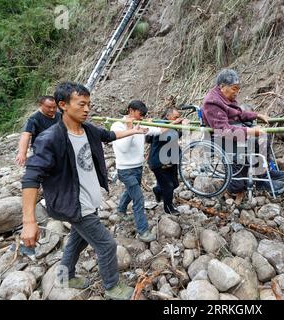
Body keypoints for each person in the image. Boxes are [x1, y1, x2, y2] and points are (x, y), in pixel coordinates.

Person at [21, 82, 148, 300]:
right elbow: (31, 177)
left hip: (89, 201)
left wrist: (133, 130)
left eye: (89, 104)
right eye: (82, 104)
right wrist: (29, 221)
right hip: (73, 204)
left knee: (77, 241)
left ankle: (64, 277)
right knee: (107, 245)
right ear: (63, 105)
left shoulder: (87, 129)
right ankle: (112, 287)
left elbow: (108, 135)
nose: (87, 109)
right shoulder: (50, 138)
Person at [201, 69, 284, 199]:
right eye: (234, 89)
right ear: (222, 87)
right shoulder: (212, 102)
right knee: (238, 181)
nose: (237, 92)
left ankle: (263, 173)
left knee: (264, 136)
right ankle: (251, 182)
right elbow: (223, 130)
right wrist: (250, 131)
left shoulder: (225, 97)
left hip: (233, 133)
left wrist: (257, 115)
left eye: (238, 89)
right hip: (220, 138)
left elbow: (238, 113)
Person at [112, 100, 177, 241]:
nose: (141, 118)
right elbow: (122, 148)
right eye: (140, 114)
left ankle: (120, 210)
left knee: (131, 191)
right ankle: (143, 231)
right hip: (125, 170)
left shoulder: (141, 123)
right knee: (138, 199)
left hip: (138, 167)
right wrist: (131, 129)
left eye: (143, 115)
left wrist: (174, 123)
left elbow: (158, 130)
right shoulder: (117, 125)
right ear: (130, 110)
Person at [148, 107, 189, 215]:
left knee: (175, 184)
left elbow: (176, 136)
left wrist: (181, 127)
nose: (178, 119)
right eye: (176, 117)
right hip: (159, 162)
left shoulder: (171, 125)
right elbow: (169, 137)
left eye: (178, 117)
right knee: (169, 187)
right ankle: (168, 208)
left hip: (171, 160)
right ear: (168, 116)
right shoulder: (161, 125)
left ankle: (157, 190)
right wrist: (182, 127)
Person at [15, 96, 61, 166]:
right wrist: (22, 153)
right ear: (40, 105)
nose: (52, 110)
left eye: (54, 107)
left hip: (59, 148)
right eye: (48, 107)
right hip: (42, 151)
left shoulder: (60, 115)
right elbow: (26, 135)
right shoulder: (34, 119)